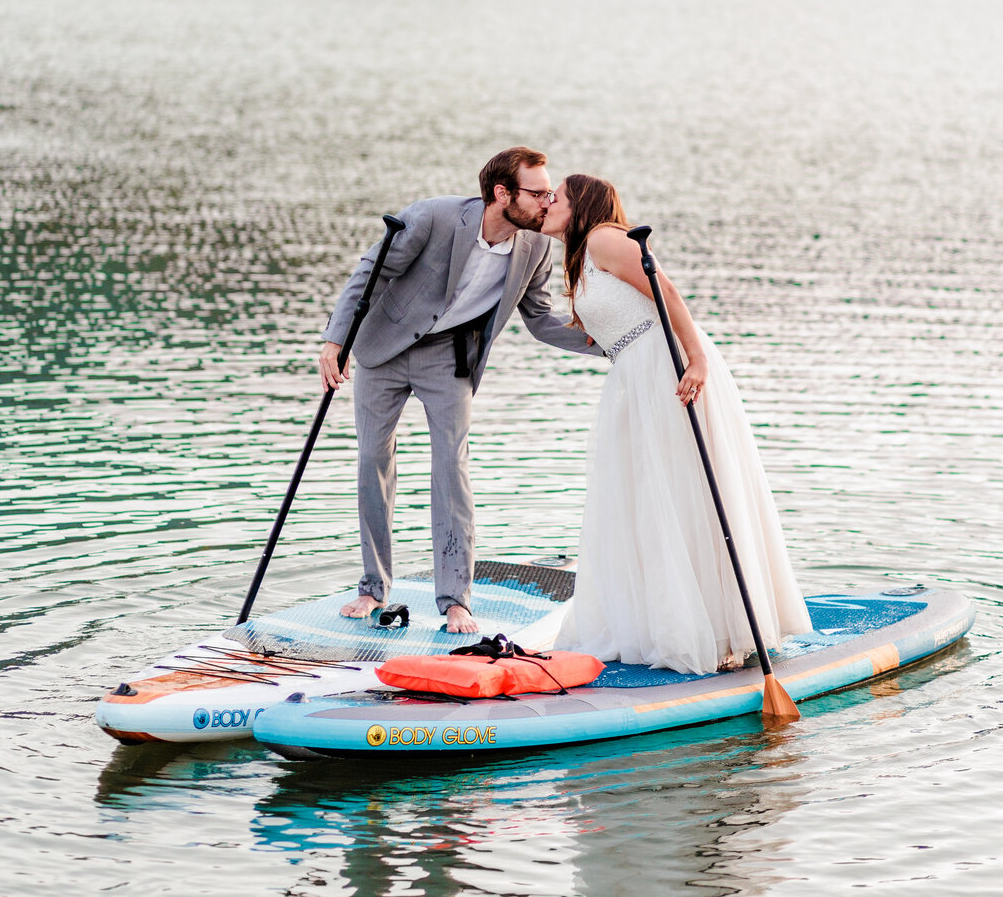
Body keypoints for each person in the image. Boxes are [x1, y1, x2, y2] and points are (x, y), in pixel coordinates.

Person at [542, 174, 811, 674]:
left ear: (582, 205)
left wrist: (697, 360)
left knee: (682, 491)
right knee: (646, 497)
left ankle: (719, 629)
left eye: (557, 194)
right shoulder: (579, 256)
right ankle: (662, 621)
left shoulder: (604, 237)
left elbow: (669, 296)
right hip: (631, 376)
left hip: (664, 368)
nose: (548, 201)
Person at [320, 147, 594, 635]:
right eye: (537, 193)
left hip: (448, 358)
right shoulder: (431, 217)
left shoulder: (536, 247)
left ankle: (455, 602)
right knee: (372, 461)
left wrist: (612, 341)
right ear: (501, 193)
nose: (546, 203)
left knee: (452, 465)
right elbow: (370, 272)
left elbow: (541, 319)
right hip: (383, 346)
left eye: (549, 193)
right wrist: (335, 341)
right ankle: (372, 588)